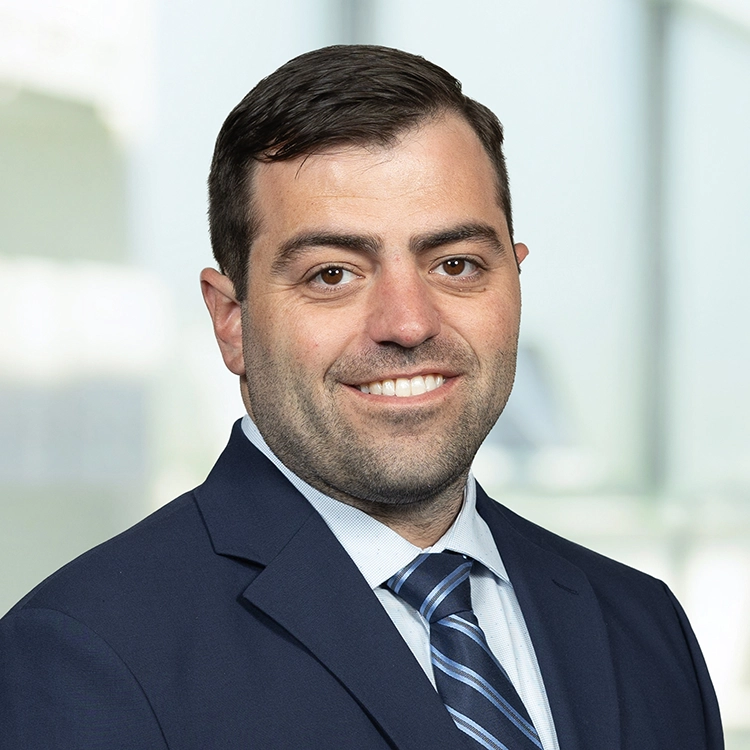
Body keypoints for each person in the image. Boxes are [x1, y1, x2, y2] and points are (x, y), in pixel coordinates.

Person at [0, 45, 723, 750]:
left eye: (456, 264)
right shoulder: (83, 657)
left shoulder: (643, 625)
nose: (408, 324)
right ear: (232, 321)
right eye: (333, 275)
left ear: (515, 280)